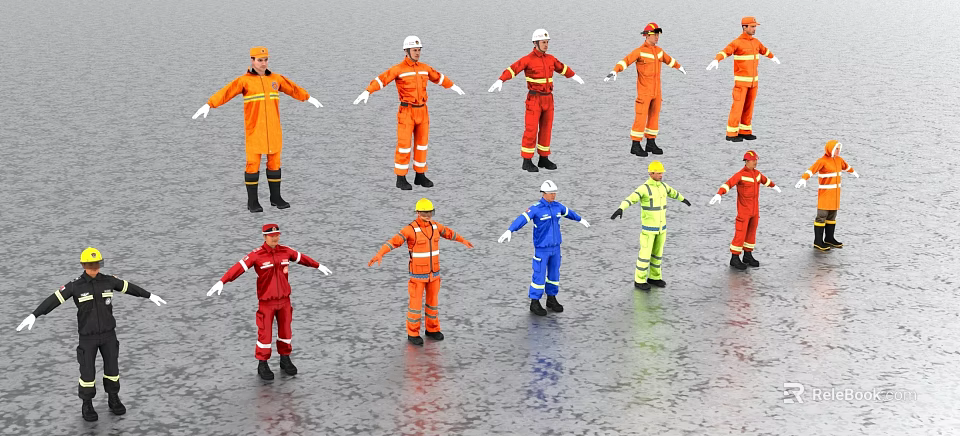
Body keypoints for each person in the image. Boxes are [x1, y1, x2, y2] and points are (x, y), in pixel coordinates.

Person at [16, 247, 167, 422]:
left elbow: (129, 287)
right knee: (87, 373)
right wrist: (35, 314)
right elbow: (53, 300)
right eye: (90, 264)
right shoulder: (75, 286)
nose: (94, 268)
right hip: (88, 338)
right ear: (83, 265)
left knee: (112, 370)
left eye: (97, 264)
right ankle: (87, 403)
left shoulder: (109, 281)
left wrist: (148, 295)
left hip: (109, 336)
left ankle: (113, 398)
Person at [192, 46, 323, 212]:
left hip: (274, 130)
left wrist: (308, 97)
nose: (263, 63)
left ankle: (276, 198)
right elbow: (226, 92)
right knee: (253, 164)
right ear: (252, 60)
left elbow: (293, 88)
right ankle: (252, 201)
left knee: (275, 163)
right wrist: (209, 104)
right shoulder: (244, 81)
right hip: (255, 131)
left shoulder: (276, 79)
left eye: (265, 60)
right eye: (260, 60)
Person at [207, 224, 332, 380]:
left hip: (285, 301)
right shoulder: (256, 255)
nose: (275, 238)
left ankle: (285, 359)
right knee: (265, 333)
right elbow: (238, 267)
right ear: (264, 237)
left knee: (286, 331)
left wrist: (318, 265)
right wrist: (222, 281)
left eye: (277, 235)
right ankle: (262, 363)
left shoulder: (285, 251)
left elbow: (302, 258)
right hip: (267, 302)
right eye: (272, 236)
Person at [353, 36, 465, 190]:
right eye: (415, 50)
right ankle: (401, 177)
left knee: (422, 145)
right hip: (407, 111)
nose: (418, 53)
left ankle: (420, 175)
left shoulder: (424, 68)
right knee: (404, 145)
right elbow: (382, 79)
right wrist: (368, 91)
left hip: (423, 111)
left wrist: (452, 86)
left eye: (419, 50)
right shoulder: (398, 69)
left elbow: (437, 77)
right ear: (406, 51)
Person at [368, 199, 473, 345]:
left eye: (430, 212)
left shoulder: (436, 227)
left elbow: (449, 233)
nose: (428, 215)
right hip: (417, 276)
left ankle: (432, 329)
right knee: (415, 306)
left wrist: (463, 240)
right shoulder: (410, 229)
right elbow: (393, 242)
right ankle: (412, 333)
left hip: (434, 275)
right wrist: (380, 253)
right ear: (417, 212)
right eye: (424, 212)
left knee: (433, 304)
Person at [488, 29, 585, 172]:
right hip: (534, 99)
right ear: (535, 43)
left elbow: (562, 68)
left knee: (546, 129)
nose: (546, 45)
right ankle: (526, 160)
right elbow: (513, 69)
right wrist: (501, 80)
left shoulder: (550, 59)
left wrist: (574, 76)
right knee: (531, 129)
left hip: (548, 99)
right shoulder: (528, 59)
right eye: (543, 42)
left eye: (547, 42)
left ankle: (543, 159)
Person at [498, 180, 590, 315]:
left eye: (555, 193)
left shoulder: (557, 206)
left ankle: (551, 298)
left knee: (554, 274)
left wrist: (580, 219)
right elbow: (522, 219)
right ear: (544, 193)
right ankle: (534, 302)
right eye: (551, 193)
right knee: (539, 275)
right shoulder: (536, 208)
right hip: (542, 248)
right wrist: (510, 230)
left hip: (556, 247)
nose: (554, 195)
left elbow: (569, 212)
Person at [604, 23, 686, 157]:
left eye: (658, 35)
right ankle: (635, 145)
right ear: (647, 35)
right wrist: (615, 71)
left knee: (654, 117)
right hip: (644, 91)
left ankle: (650, 142)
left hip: (656, 91)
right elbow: (626, 61)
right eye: (655, 35)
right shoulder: (640, 51)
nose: (657, 37)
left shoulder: (659, 51)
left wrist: (679, 67)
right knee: (641, 117)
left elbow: (668, 60)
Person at [610, 161, 691, 290]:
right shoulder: (644, 188)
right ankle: (639, 280)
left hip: (662, 229)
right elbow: (631, 199)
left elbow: (673, 193)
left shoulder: (663, 186)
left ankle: (654, 277)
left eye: (662, 173)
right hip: (648, 230)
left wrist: (683, 199)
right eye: (658, 173)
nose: (661, 175)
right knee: (645, 255)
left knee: (657, 255)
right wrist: (621, 208)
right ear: (651, 173)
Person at [706, 17, 780, 142]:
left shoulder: (756, 42)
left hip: (753, 82)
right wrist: (716, 59)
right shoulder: (737, 42)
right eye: (751, 26)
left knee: (749, 107)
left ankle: (745, 130)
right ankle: (731, 133)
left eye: (755, 26)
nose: (754, 29)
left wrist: (773, 57)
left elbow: (764, 50)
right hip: (741, 83)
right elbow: (726, 51)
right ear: (744, 27)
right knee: (737, 107)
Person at [709, 150, 781, 269]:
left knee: (751, 233)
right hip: (744, 211)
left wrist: (774, 186)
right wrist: (719, 194)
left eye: (756, 160)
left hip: (754, 210)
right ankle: (735, 257)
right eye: (753, 161)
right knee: (740, 234)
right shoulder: (740, 175)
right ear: (747, 161)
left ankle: (747, 255)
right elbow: (729, 183)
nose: (755, 163)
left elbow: (764, 180)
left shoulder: (757, 174)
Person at [795, 140, 860, 250]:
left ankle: (829, 238)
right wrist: (803, 178)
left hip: (835, 195)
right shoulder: (822, 161)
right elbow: (812, 170)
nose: (838, 151)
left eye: (839, 149)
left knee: (832, 216)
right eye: (836, 149)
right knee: (821, 216)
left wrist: (853, 172)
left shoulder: (839, 160)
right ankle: (818, 241)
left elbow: (846, 166)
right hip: (825, 195)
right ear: (831, 149)